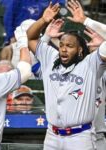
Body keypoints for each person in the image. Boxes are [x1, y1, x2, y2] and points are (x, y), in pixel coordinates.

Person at [23, 2, 106, 150]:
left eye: (69, 46)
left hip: (80, 137)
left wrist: (86, 21)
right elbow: (30, 38)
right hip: (52, 136)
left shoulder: (90, 63)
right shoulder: (51, 57)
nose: (63, 49)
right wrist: (43, 21)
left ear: (80, 50)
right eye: (61, 45)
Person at [67, 0, 106, 149]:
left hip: (97, 137)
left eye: (101, 46)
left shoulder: (103, 72)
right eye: (90, 44)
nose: (94, 45)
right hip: (68, 137)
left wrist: (86, 21)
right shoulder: (67, 69)